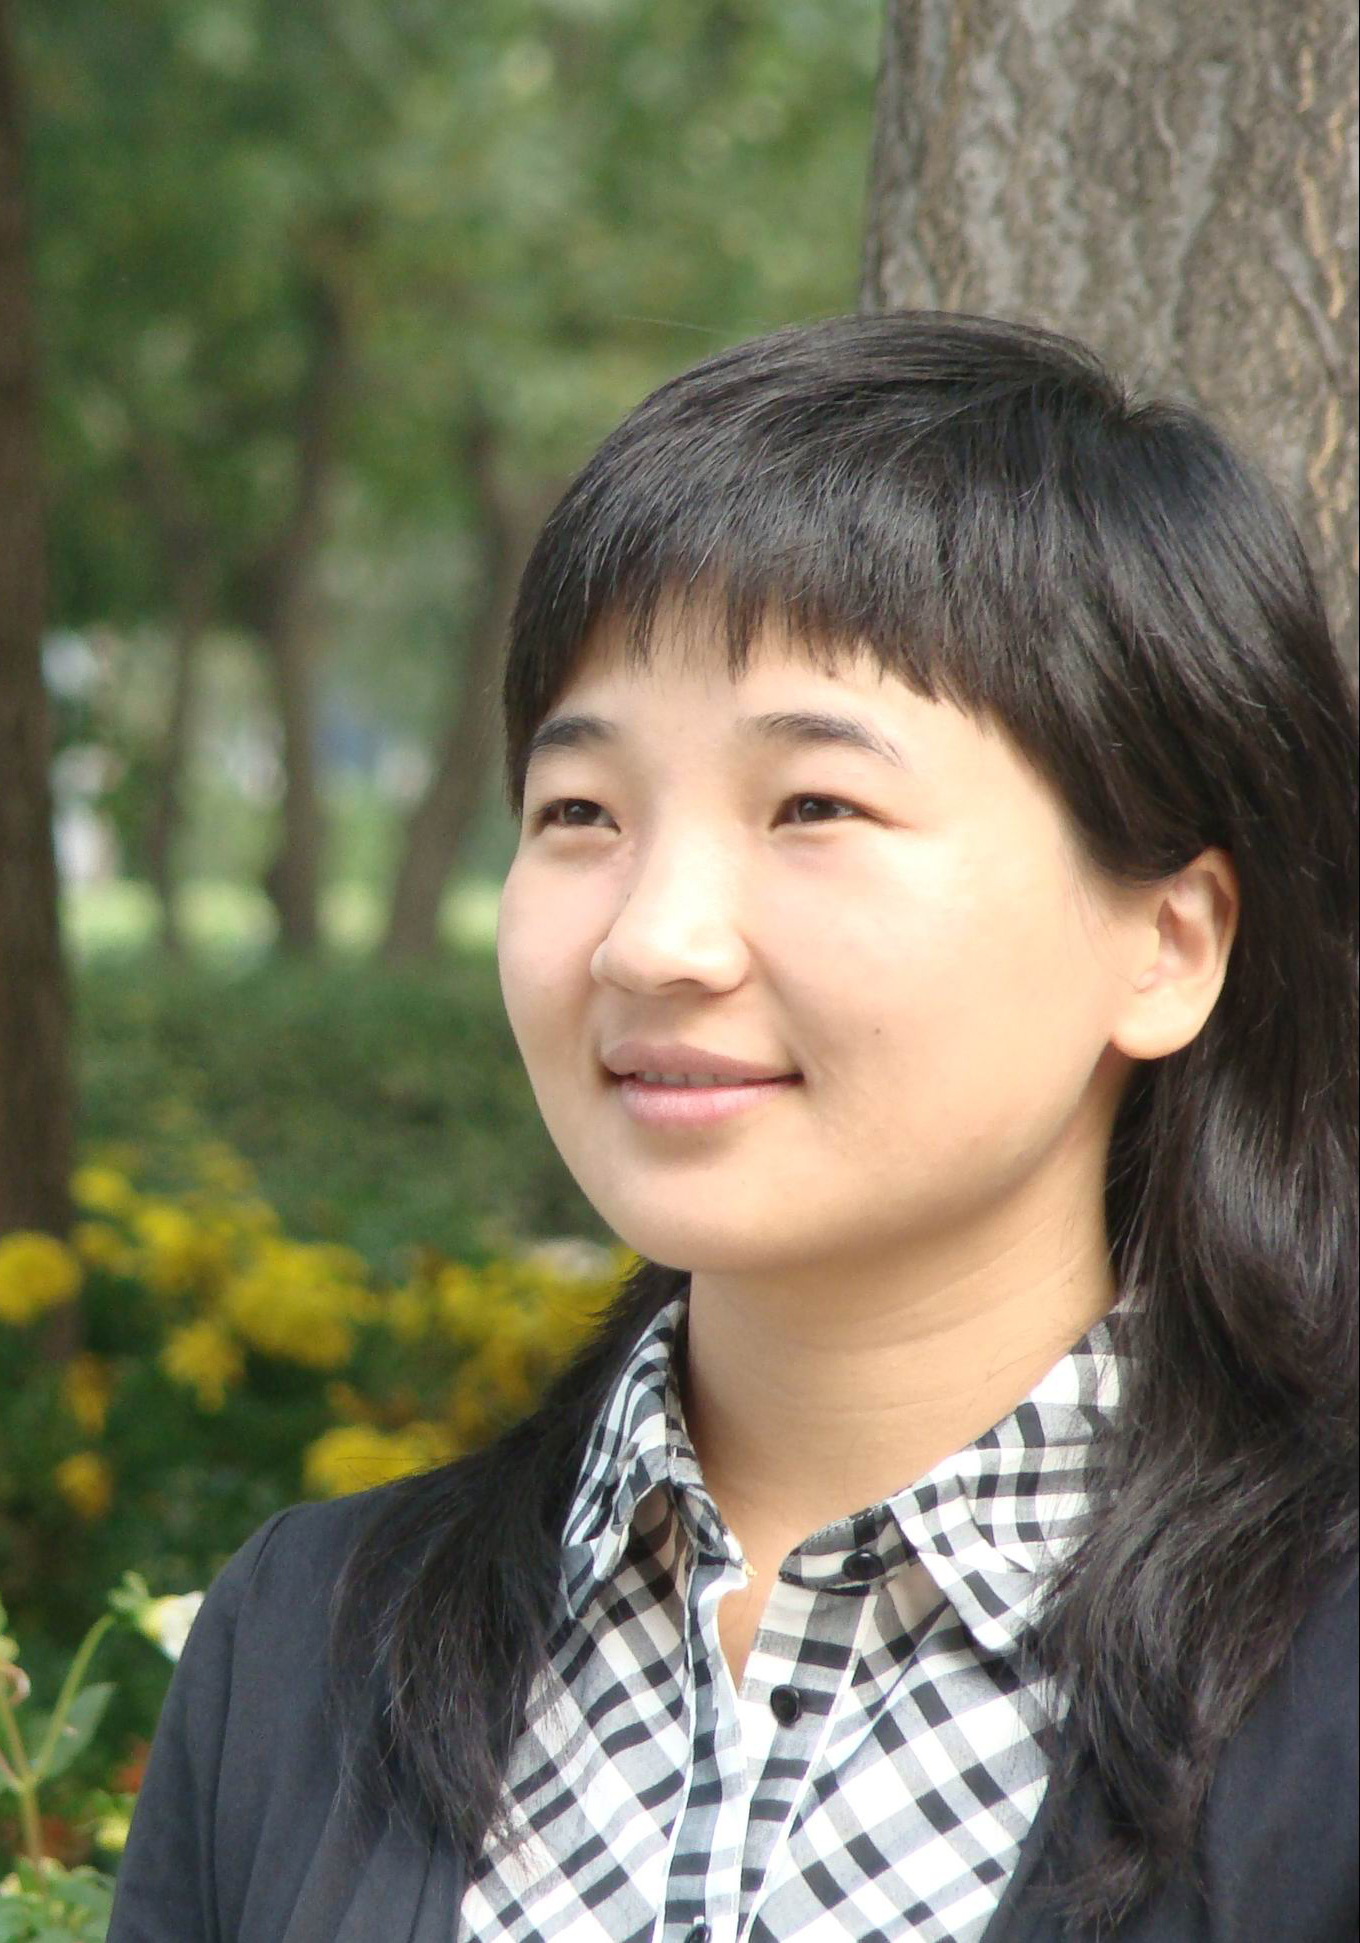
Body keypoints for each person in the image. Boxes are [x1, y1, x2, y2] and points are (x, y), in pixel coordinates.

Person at [106, 312, 1358, 1943]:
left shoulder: (1322, 1686)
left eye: (812, 806)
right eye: (580, 812)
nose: (651, 941)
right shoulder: (301, 1644)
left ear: (1167, 943)